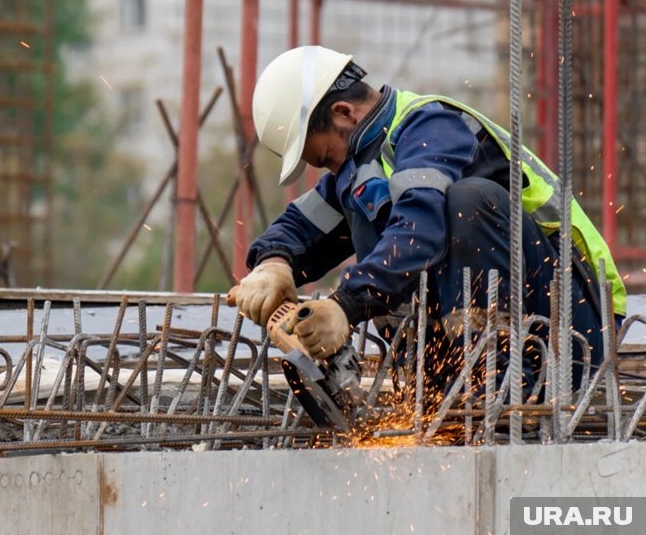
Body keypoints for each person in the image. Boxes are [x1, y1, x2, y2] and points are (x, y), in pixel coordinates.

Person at [229, 45, 623, 386]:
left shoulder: (432, 127)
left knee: (468, 200)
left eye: (326, 156)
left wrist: (346, 305)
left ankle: (495, 385)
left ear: (344, 112)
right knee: (361, 211)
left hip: (573, 326)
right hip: (490, 339)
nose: (332, 170)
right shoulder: (360, 168)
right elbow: (301, 225)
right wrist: (273, 264)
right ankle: (441, 385)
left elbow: (419, 229)